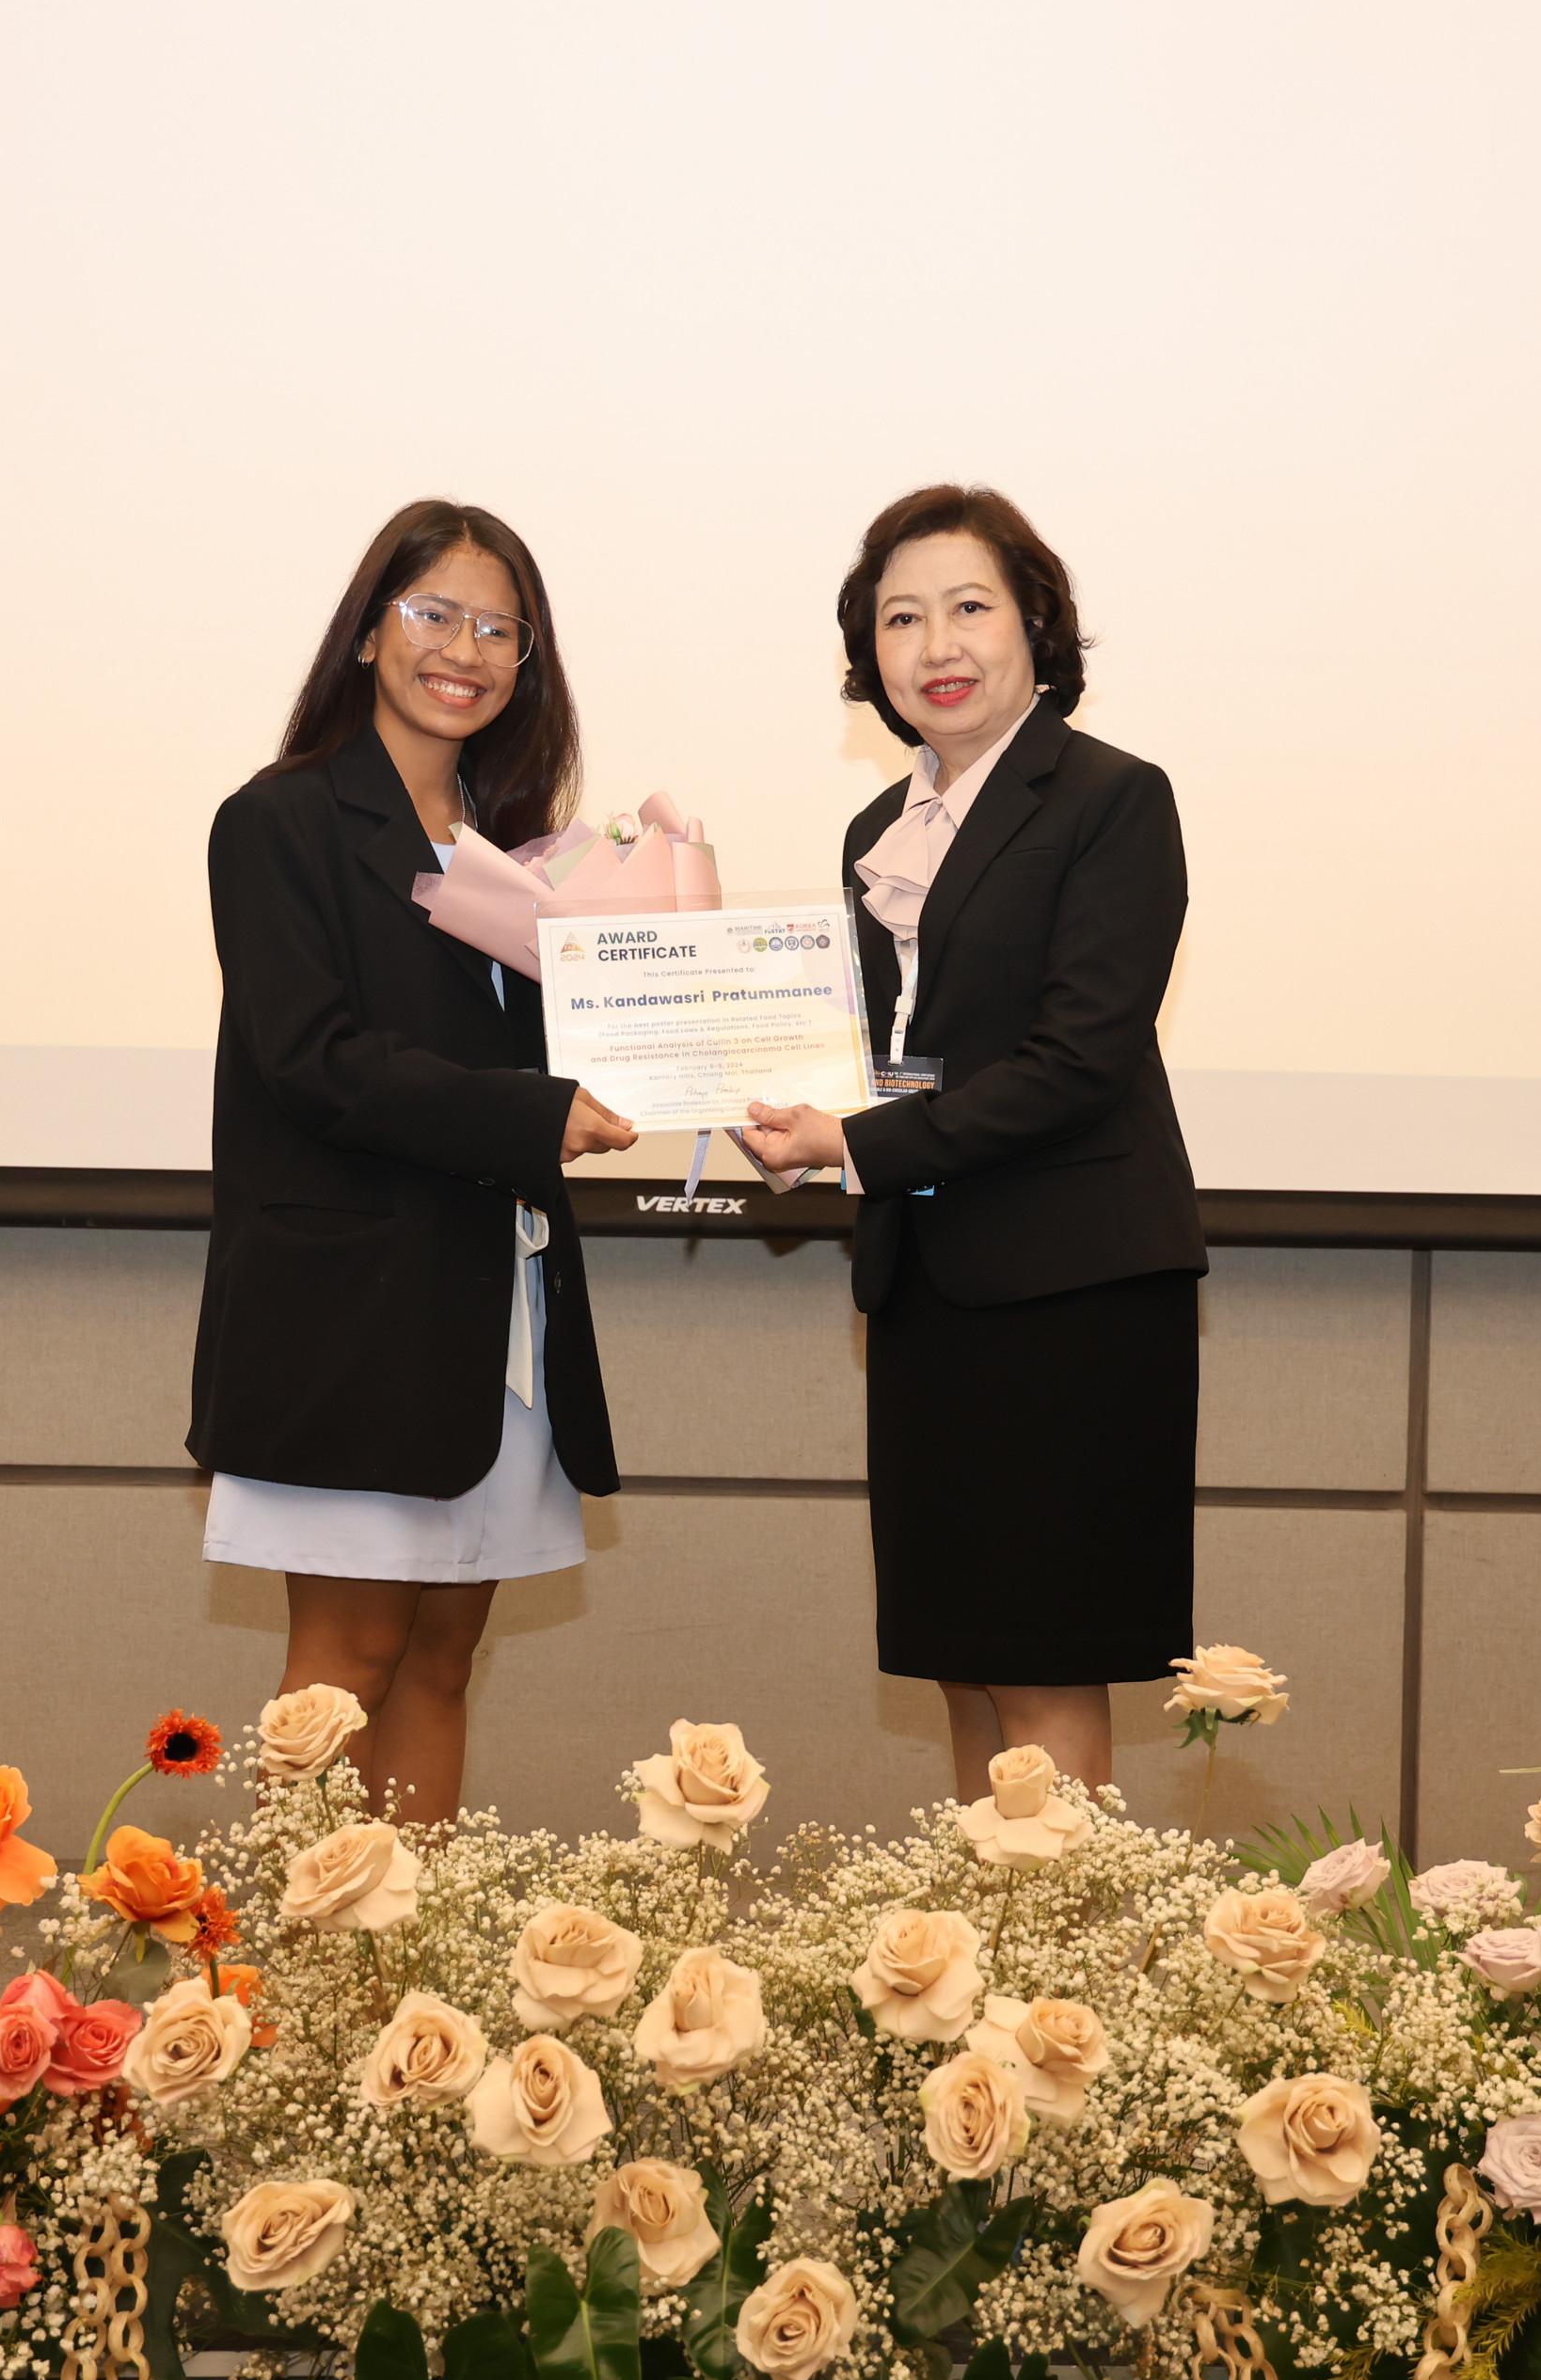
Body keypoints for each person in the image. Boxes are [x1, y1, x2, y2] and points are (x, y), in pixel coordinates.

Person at [740, 485, 1204, 1793]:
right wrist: (768, 1089)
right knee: (963, 1659)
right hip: (931, 1284)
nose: (935, 646)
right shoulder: (877, 831)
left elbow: (1079, 1061)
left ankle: (1065, 1937)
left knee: (1043, 1663)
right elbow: (890, 1050)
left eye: (968, 608)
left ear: (1035, 625)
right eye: (900, 619)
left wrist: (855, 1144)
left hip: (1070, 1289)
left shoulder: (1111, 799)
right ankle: (982, 1937)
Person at [193, 500, 636, 1822]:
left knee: (443, 1659)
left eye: (501, 629)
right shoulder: (280, 821)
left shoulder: (525, 848)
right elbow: (312, 1059)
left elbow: (558, 1052)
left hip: (496, 1306)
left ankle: (412, 1954)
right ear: (367, 631)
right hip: (353, 1315)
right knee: (349, 1666)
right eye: (435, 613)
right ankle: (307, 1952)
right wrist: (532, 1116)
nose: (466, 651)